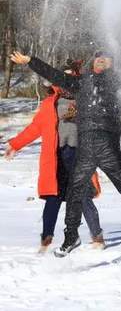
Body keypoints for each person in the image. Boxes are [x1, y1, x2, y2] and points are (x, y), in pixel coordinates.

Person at [10, 49, 121, 257]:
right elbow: (54, 75)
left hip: (108, 146)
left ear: (112, 64)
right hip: (85, 147)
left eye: (107, 58)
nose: (102, 60)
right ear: (93, 63)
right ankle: (71, 237)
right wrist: (30, 61)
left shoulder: (120, 84)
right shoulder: (80, 82)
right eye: (99, 57)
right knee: (75, 193)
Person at [4, 60, 103, 253]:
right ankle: (46, 240)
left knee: (82, 197)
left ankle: (97, 237)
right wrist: (15, 145)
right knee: (53, 198)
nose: (65, 80)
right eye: (62, 76)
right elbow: (34, 129)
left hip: (78, 156)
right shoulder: (50, 104)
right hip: (56, 158)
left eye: (70, 76)